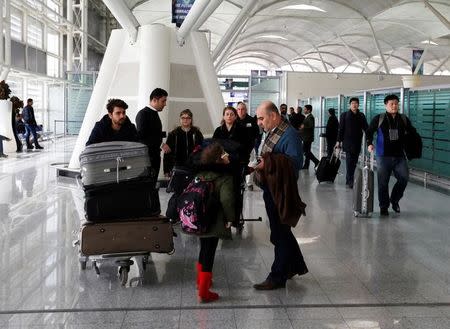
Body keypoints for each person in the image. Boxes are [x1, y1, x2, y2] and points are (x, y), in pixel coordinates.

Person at [252, 100, 308, 290]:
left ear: (274, 116)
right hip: (271, 188)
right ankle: (294, 265)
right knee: (281, 231)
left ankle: (277, 276)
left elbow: (294, 163)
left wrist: (267, 163)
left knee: (280, 233)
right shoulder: (272, 132)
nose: (259, 122)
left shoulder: (290, 135)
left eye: (261, 118)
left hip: (282, 191)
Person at [192, 142, 235, 303]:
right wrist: (230, 219)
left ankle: (200, 281)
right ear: (219, 158)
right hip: (215, 219)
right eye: (224, 155)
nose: (227, 157)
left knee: (203, 249)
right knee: (210, 252)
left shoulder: (200, 174)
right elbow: (227, 200)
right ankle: (204, 292)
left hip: (200, 218)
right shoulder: (224, 177)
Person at [366, 94, 414, 216]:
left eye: (396, 103)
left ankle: (394, 200)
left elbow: (412, 132)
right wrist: (369, 143)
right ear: (386, 105)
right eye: (391, 104)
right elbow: (369, 131)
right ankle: (383, 206)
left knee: (404, 178)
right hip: (383, 156)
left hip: (399, 156)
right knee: (383, 182)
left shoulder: (403, 119)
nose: (394, 106)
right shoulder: (379, 118)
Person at [136, 88, 168, 180]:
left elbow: (152, 132)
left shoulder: (154, 113)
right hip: (147, 158)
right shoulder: (143, 114)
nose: (165, 104)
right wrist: (161, 144)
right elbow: (142, 137)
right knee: (147, 185)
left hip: (154, 156)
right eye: (163, 101)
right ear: (154, 100)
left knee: (152, 185)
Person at [336, 98, 369, 188]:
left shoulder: (361, 115)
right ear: (350, 105)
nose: (354, 105)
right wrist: (338, 141)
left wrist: (369, 139)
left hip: (357, 143)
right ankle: (350, 180)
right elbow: (341, 129)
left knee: (354, 162)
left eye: (356, 103)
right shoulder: (345, 115)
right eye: (352, 103)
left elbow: (366, 128)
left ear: (358, 105)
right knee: (349, 162)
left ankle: (349, 179)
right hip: (348, 143)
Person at [162, 109, 204, 177]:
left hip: (194, 166)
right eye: (183, 118)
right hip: (177, 167)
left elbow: (202, 150)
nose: (185, 120)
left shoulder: (197, 133)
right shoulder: (173, 134)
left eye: (188, 118)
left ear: (191, 119)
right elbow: (167, 153)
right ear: (180, 119)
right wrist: (166, 170)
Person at [236, 101, 259, 190]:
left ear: (246, 110)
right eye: (239, 109)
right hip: (237, 148)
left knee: (251, 164)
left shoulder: (251, 120)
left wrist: (254, 142)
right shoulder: (234, 120)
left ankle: (249, 183)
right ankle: (240, 181)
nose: (241, 111)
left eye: (242, 109)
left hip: (249, 147)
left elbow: (257, 132)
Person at [299, 104, 319, 169]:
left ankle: (316, 161)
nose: (304, 110)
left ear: (309, 110)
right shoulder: (307, 116)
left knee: (306, 151)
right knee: (307, 151)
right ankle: (306, 165)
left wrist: (303, 126)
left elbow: (311, 126)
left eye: (305, 109)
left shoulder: (310, 117)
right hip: (306, 137)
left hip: (307, 137)